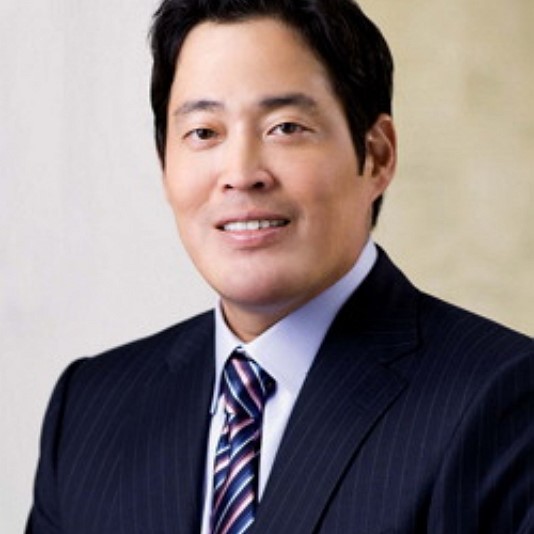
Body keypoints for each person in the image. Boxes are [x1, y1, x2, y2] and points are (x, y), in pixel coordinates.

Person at [26, 0, 533, 533]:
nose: (241, 173)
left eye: (286, 127)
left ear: (377, 155)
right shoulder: (88, 410)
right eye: (204, 132)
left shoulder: (506, 403)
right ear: (164, 165)